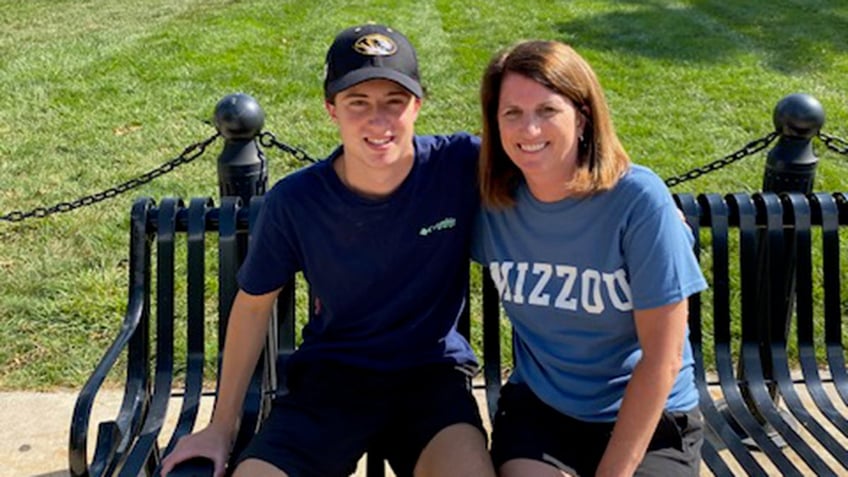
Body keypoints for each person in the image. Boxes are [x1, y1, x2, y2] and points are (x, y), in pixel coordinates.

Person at [159, 24, 495, 477]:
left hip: (431, 374)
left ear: (417, 105)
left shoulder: (458, 166)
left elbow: (550, 154)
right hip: (332, 377)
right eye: (358, 102)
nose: (378, 120)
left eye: (394, 102)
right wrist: (221, 426)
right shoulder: (298, 199)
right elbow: (254, 306)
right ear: (331, 109)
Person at [473, 40, 708, 477]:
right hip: (542, 412)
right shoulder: (492, 200)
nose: (529, 130)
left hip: (647, 418)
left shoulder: (636, 201)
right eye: (512, 113)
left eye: (547, 110)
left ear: (582, 116)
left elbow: (663, 358)